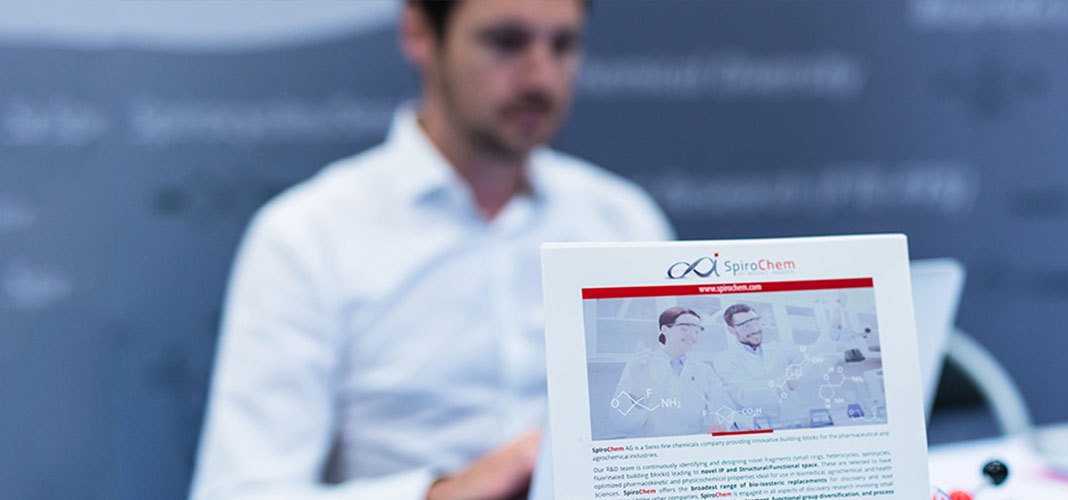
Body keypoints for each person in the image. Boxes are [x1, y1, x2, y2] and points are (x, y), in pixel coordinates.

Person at [190, 1, 672, 499]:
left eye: (562, 45)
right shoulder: (309, 236)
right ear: (420, 33)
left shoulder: (623, 222)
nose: (541, 78)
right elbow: (237, 491)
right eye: (506, 42)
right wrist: (442, 493)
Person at [612, 307, 738, 438]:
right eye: (684, 328)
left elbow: (723, 410)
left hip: (692, 443)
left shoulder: (704, 370)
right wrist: (638, 386)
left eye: (697, 331)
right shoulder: (640, 364)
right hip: (652, 444)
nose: (693, 335)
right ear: (665, 330)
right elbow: (622, 422)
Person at [712, 303, 809, 423]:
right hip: (758, 425)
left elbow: (808, 357)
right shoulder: (724, 359)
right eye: (745, 325)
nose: (755, 329)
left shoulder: (778, 348)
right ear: (731, 330)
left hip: (795, 421)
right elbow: (744, 393)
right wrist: (786, 385)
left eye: (755, 322)